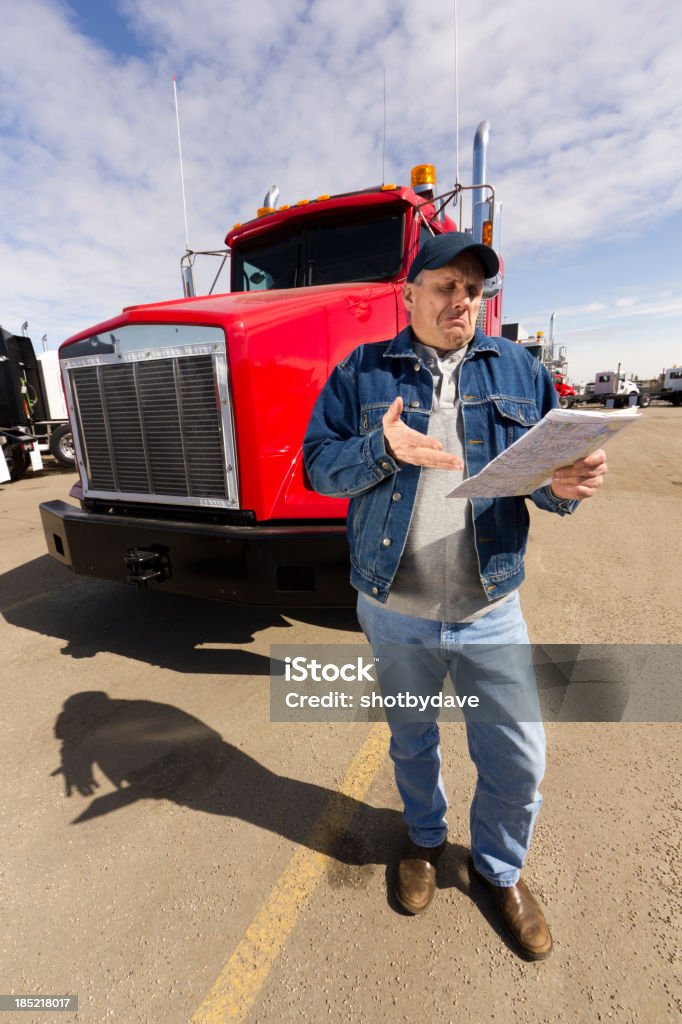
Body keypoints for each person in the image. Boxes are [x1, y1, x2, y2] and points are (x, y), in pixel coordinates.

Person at [302, 232, 607, 960]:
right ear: (407, 295)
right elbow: (317, 466)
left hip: (488, 607)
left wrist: (567, 488)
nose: (461, 299)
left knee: (517, 754)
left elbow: (551, 470)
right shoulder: (361, 372)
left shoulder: (521, 370)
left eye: (472, 288)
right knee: (412, 738)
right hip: (393, 606)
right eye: (444, 285)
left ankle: (500, 871)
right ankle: (425, 839)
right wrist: (383, 449)